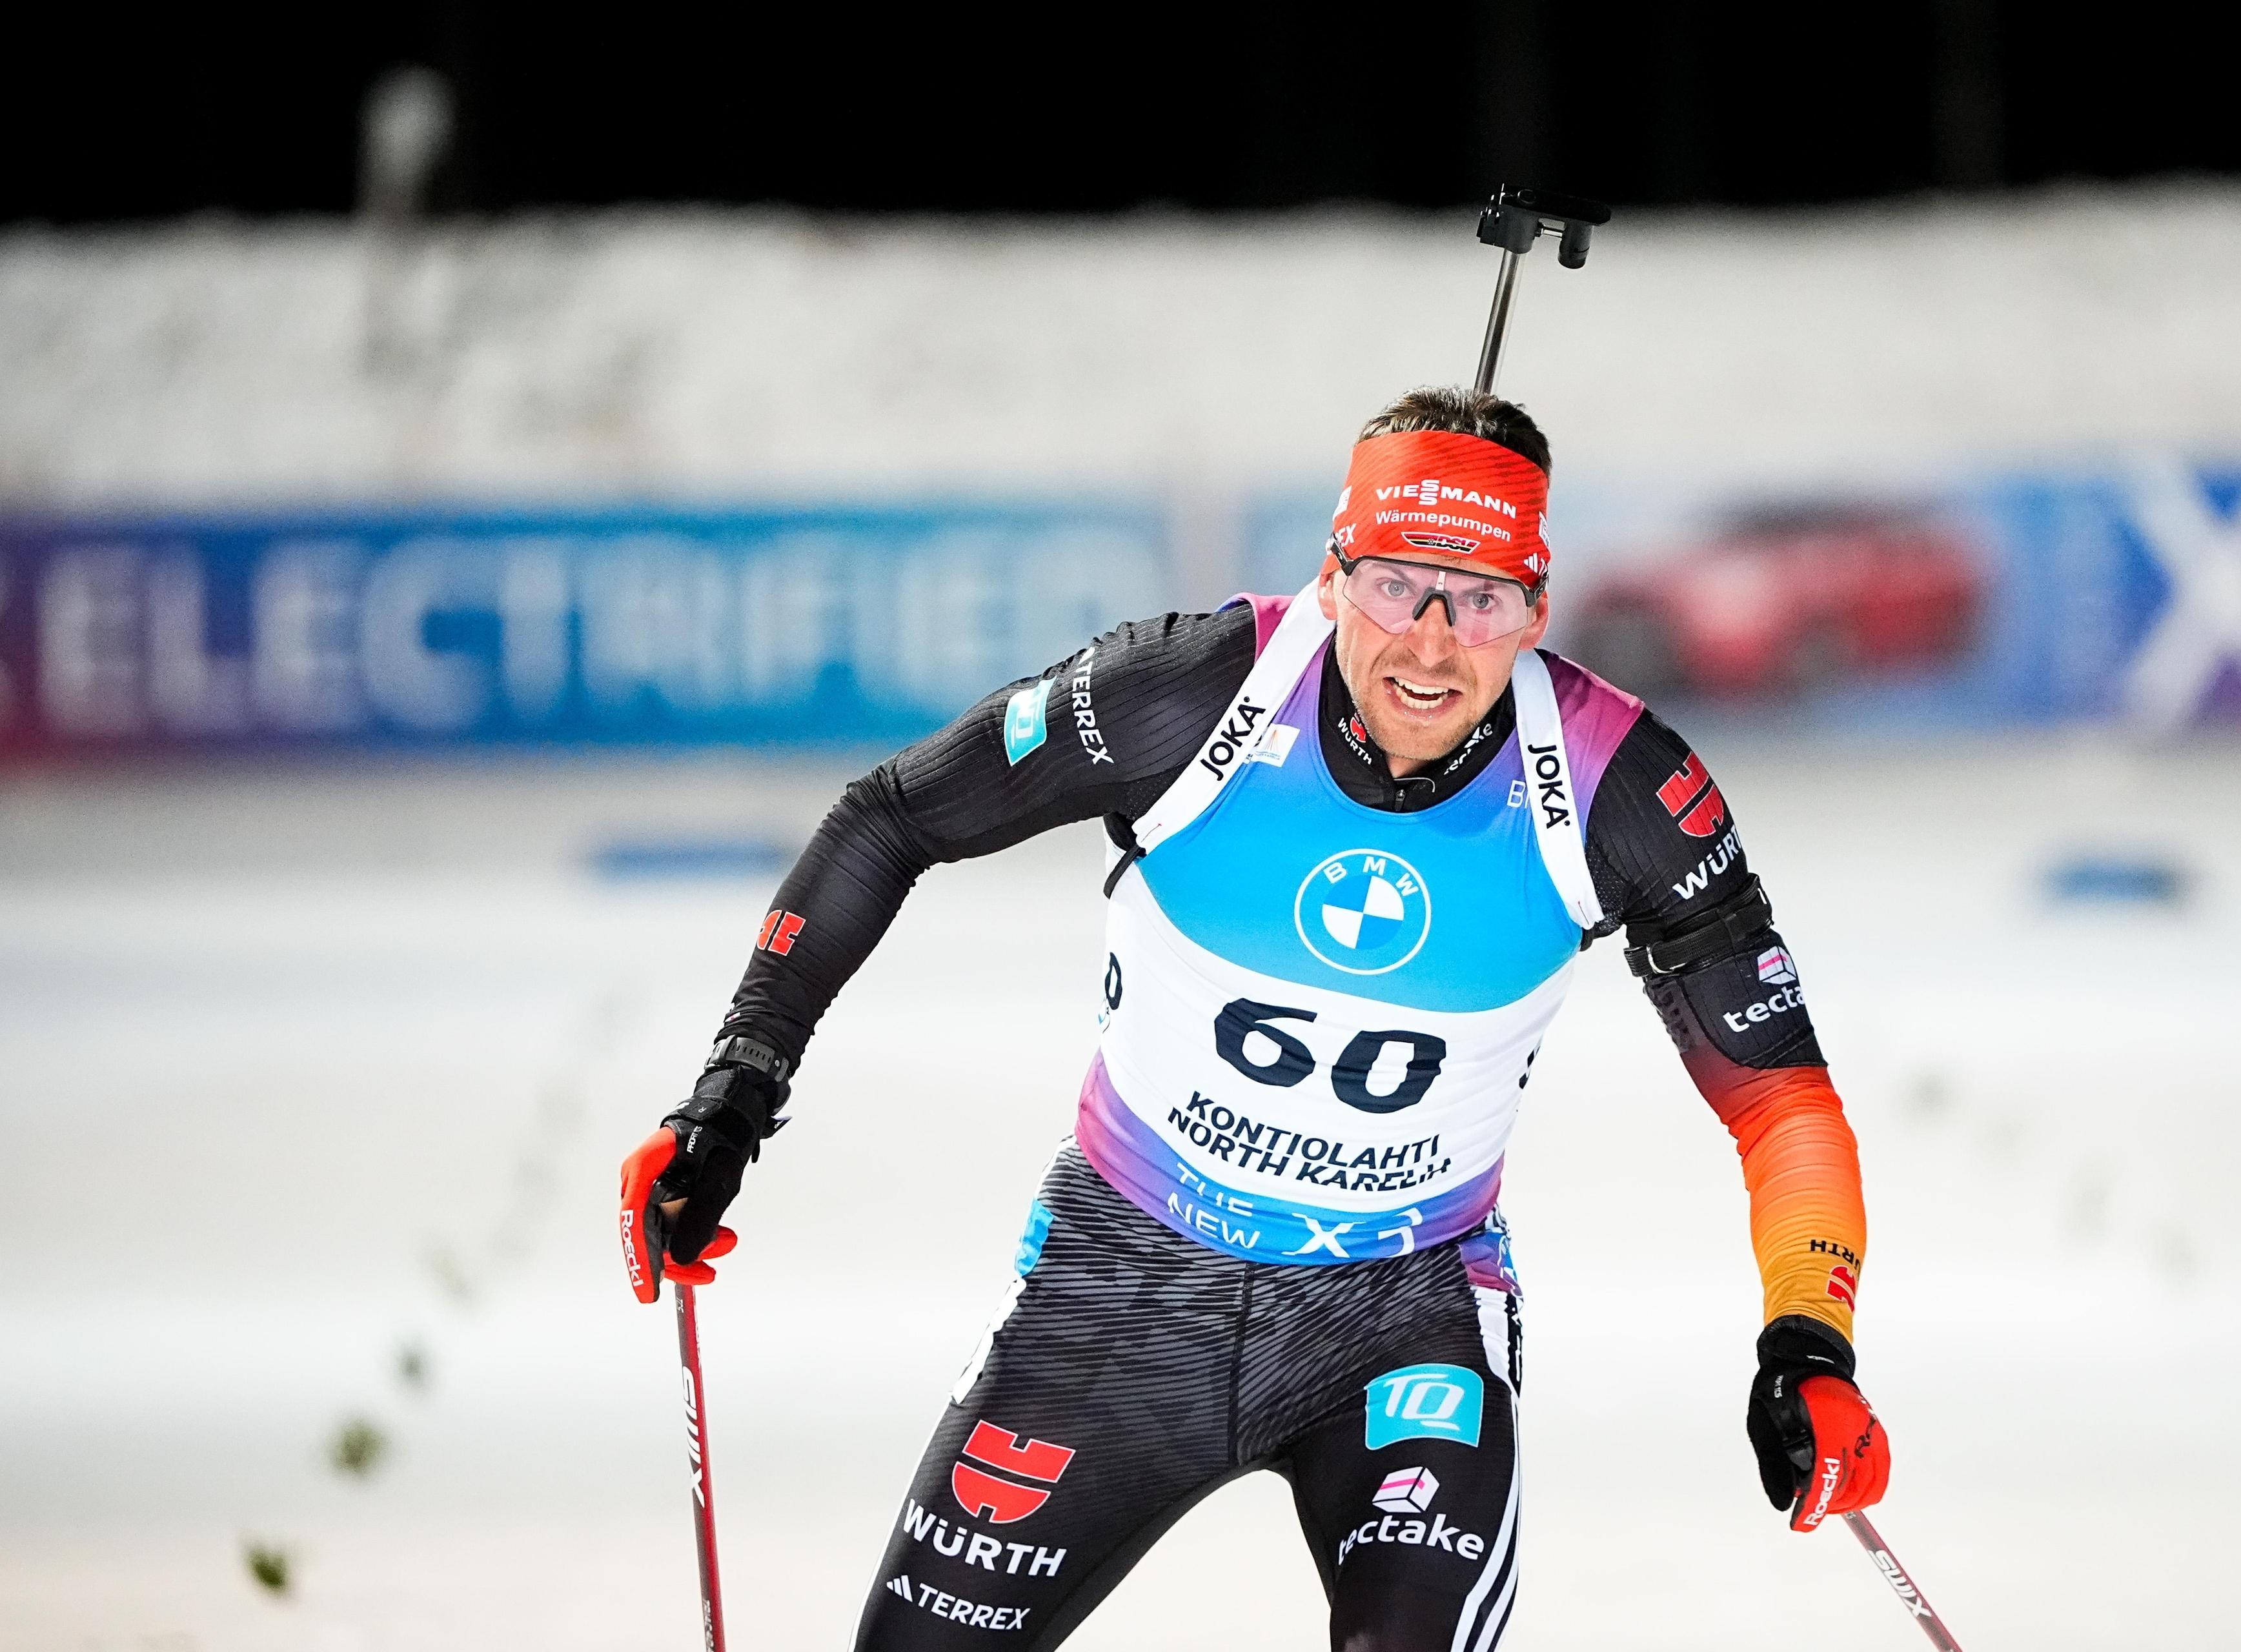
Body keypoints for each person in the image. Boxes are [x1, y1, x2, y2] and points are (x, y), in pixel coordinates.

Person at [618, 387, 1887, 1651]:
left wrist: (1808, 1340)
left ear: (1538, 611)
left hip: (1403, 1318)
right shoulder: (1188, 694)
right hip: (1120, 1281)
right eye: (1396, 587)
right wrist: (737, 1087)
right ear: (1333, 576)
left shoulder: (1621, 789)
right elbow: (893, 815)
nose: (1432, 646)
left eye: (1482, 600)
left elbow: (1781, 1099)